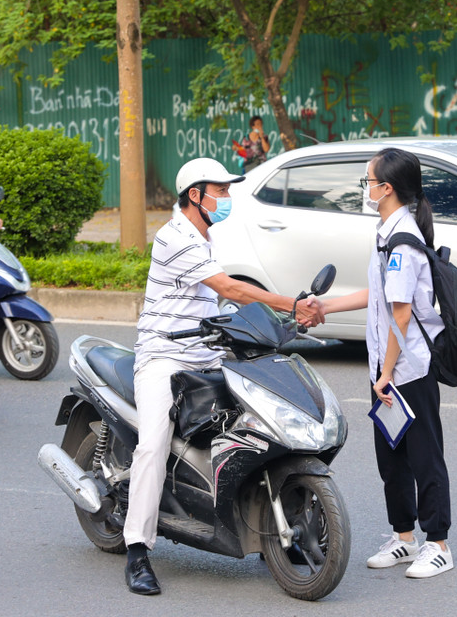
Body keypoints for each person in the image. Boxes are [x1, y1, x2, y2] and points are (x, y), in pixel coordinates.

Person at [123, 157, 324, 595]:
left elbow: (222, 302)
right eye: (222, 190)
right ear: (196, 195)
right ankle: (137, 549)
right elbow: (230, 287)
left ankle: (270, 524)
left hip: (205, 352)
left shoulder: (206, 234)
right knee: (153, 443)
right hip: (164, 356)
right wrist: (291, 303)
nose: (227, 198)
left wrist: (278, 322)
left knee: (258, 421)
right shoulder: (174, 237)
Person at [317, 147, 454, 579]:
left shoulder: (403, 242)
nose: (366, 188)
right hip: (386, 367)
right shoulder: (385, 232)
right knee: (391, 457)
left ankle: (438, 544)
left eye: (369, 181)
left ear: (387, 188)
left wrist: (387, 374)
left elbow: (400, 313)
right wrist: (325, 307)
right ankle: (405, 539)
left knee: (425, 457)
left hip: (408, 369)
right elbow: (377, 296)